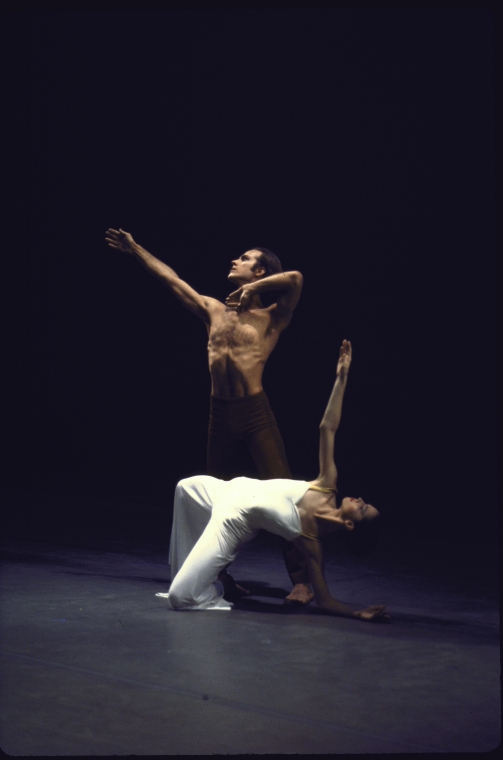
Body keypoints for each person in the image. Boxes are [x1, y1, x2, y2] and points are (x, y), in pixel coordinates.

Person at [105, 228, 311, 604]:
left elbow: (296, 279)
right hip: (220, 416)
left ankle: (302, 580)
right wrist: (135, 248)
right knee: (209, 498)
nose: (236, 260)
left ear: (261, 274)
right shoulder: (213, 309)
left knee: (283, 496)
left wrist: (253, 293)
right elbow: (171, 279)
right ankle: (216, 575)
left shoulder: (272, 317)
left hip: (255, 414)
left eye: (246, 258)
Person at [160, 340, 390, 622]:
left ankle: (210, 585)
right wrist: (341, 378)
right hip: (229, 489)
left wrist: (357, 612)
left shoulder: (312, 545)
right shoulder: (327, 486)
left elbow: (325, 599)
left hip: (232, 521)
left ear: (350, 524)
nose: (360, 500)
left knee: (179, 598)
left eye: (363, 508)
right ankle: (204, 574)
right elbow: (327, 428)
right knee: (184, 487)